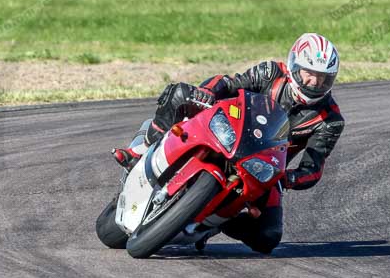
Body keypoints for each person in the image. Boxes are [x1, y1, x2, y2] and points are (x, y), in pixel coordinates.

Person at [112, 33, 345, 254]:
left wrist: (287, 179)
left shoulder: (330, 120)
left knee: (269, 237)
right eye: (309, 73)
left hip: (263, 167)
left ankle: (220, 219)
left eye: (323, 77)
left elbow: (313, 169)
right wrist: (206, 92)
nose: (315, 82)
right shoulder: (270, 72)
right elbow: (228, 83)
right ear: (294, 66)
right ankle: (140, 150)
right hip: (228, 131)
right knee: (179, 93)